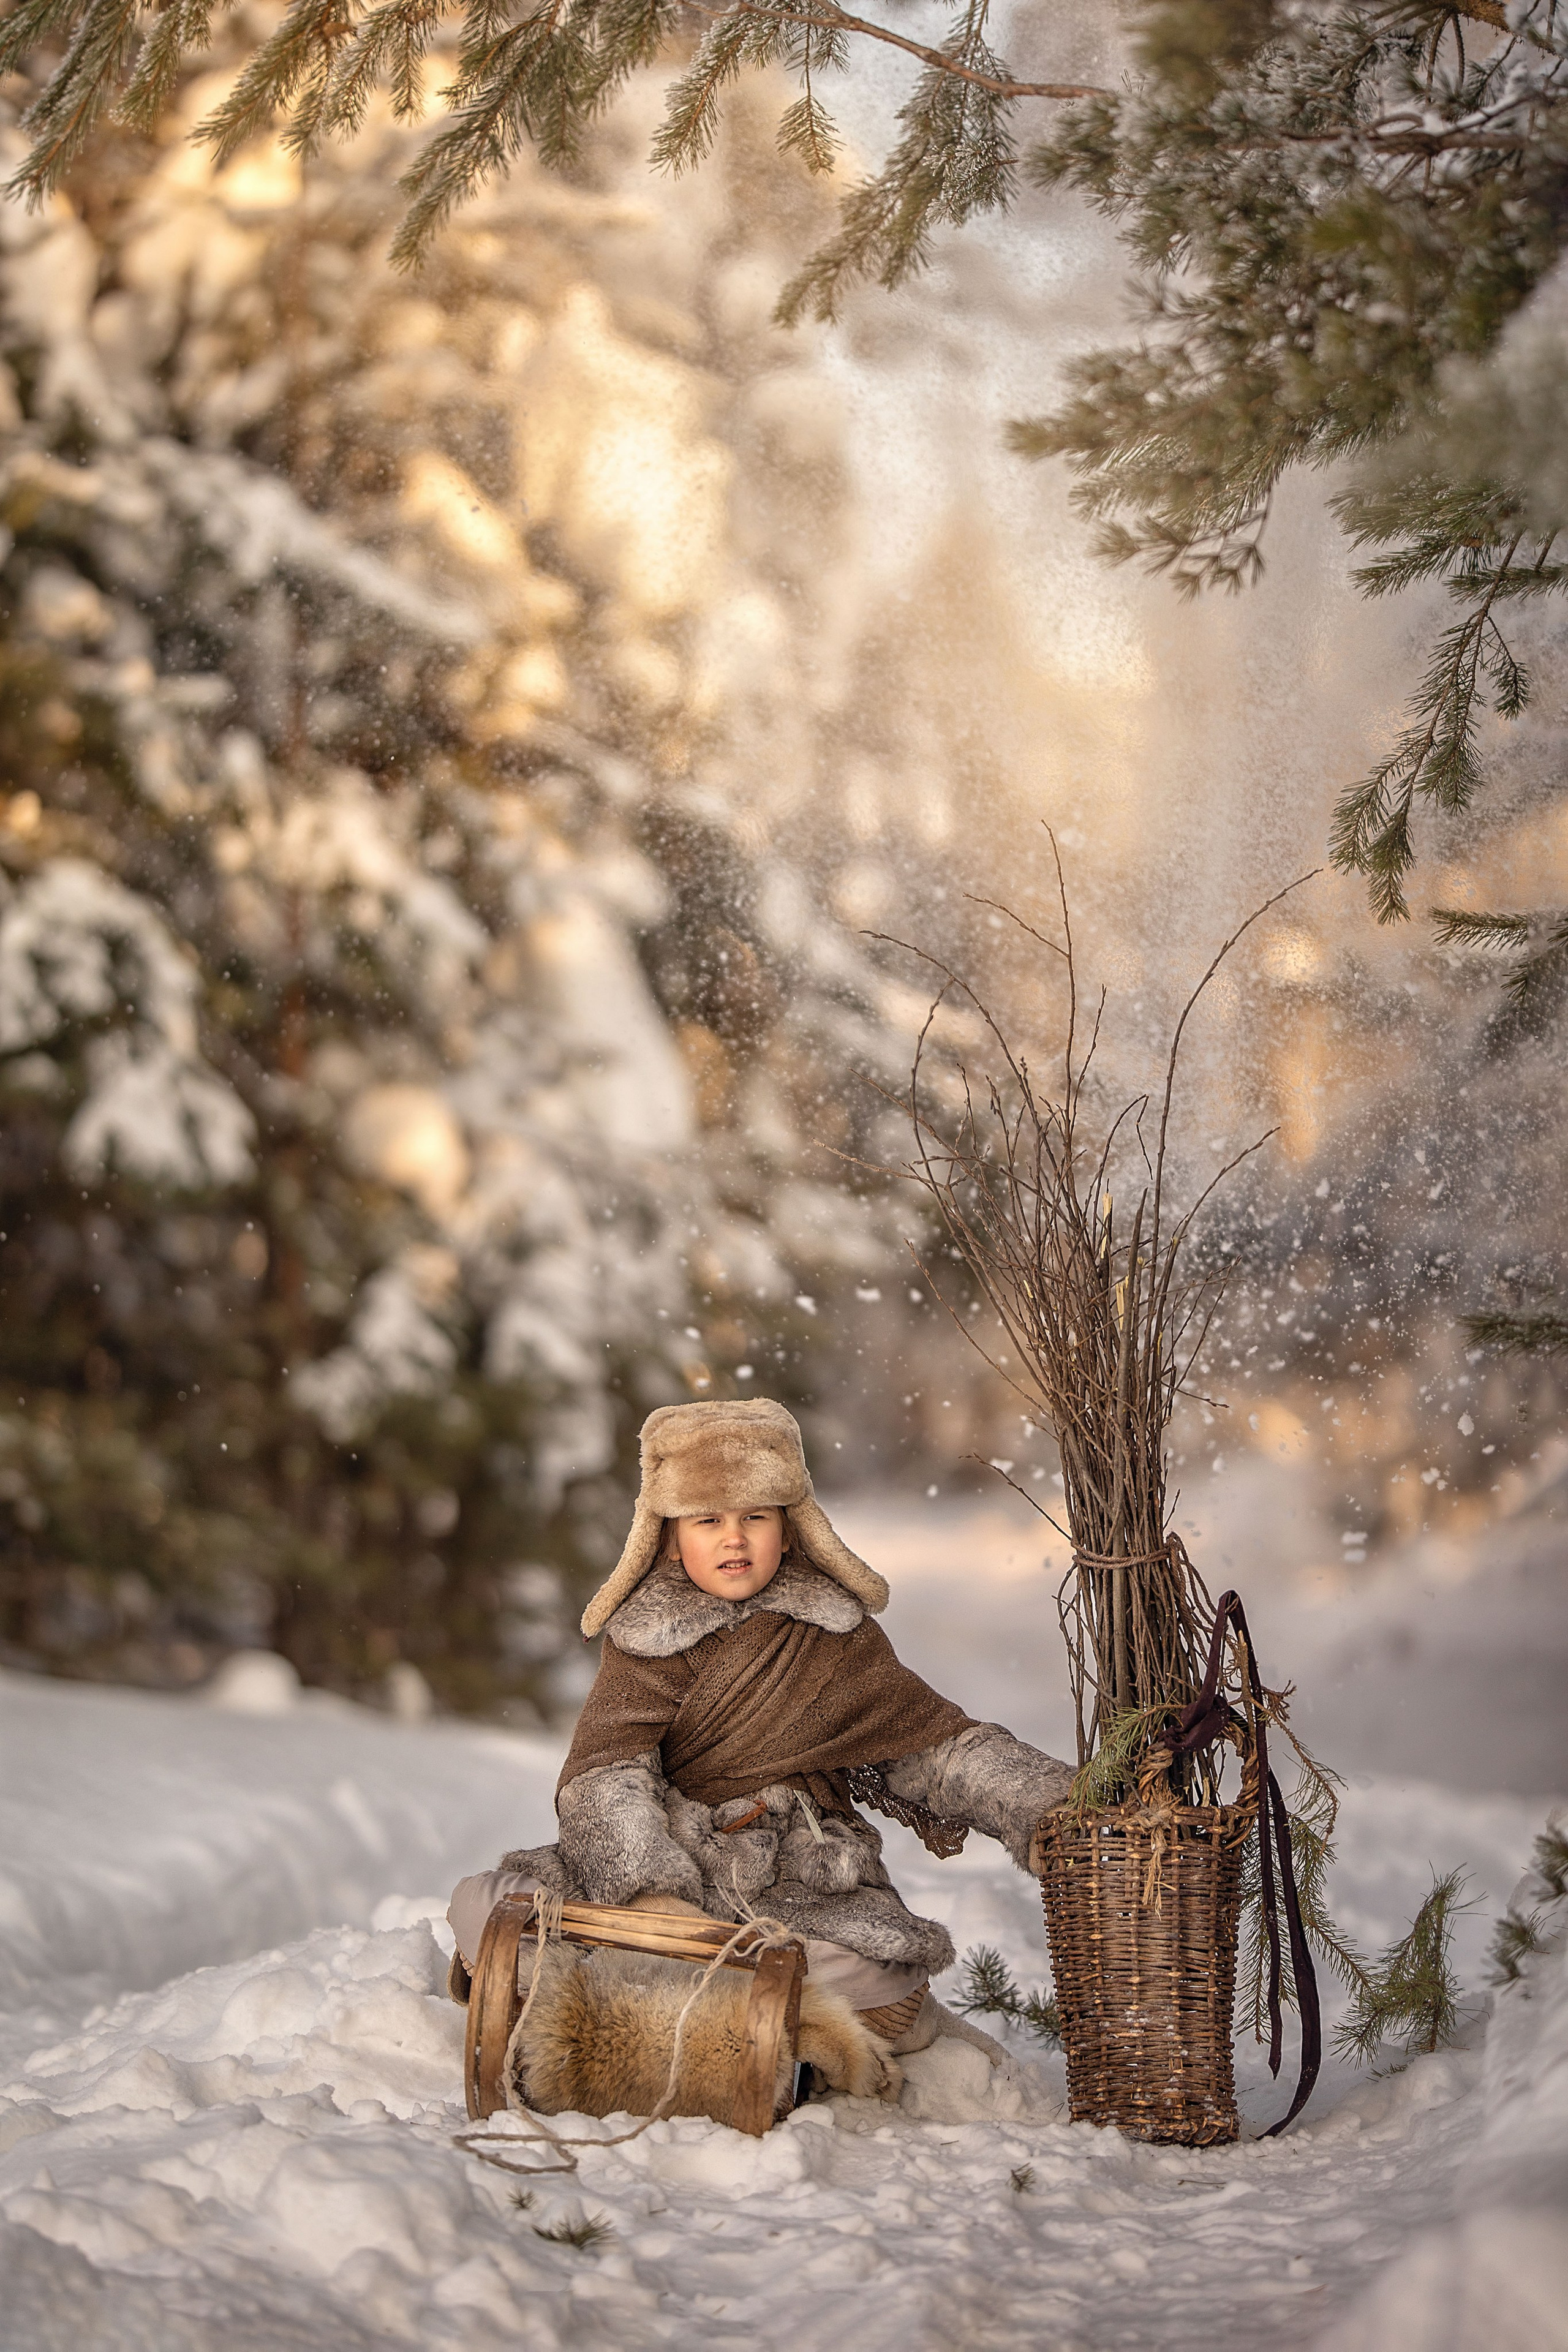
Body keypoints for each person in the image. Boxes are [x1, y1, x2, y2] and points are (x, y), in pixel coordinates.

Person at [448, 1396, 1074, 2059]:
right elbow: (605, 1775)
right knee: (483, 1901)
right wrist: (654, 1899)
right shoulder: (642, 1643)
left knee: (875, 1983)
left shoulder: (834, 1639)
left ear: (790, 1527)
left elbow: (936, 1751)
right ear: (668, 1534)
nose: (733, 1538)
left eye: (755, 1517)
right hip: (673, 1867)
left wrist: (1045, 1801)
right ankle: (724, 2004)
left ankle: (668, 2001)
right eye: (707, 1520)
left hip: (797, 1880)